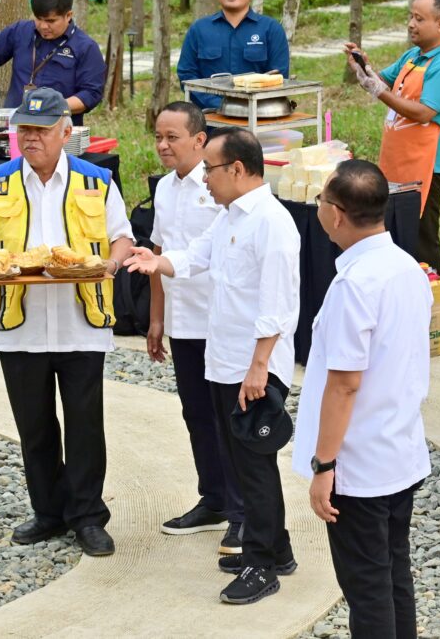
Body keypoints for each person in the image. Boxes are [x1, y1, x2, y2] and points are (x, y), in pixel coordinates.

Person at [0, 87, 133, 557]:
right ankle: (48, 511)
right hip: (20, 324)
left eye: (41, 130)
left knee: (85, 425)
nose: (31, 138)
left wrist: (110, 264)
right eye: (24, 128)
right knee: (35, 426)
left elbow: (122, 237)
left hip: (82, 320)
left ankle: (87, 516)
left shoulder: (97, 180)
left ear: (66, 132)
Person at [126, 127, 299, 605]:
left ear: (237, 169)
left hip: (253, 367)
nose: (204, 178)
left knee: (254, 468)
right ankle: (278, 548)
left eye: (211, 169)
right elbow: (194, 258)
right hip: (224, 362)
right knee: (245, 463)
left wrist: (259, 367)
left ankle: (261, 565)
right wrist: (154, 261)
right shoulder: (229, 217)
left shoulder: (271, 222)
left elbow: (278, 306)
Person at [292, 160, 432, 638]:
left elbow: (344, 384)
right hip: (399, 447)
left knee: (367, 588)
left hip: (359, 465)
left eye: (320, 201)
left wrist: (324, 465)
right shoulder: (407, 267)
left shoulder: (354, 284)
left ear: (336, 214)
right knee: (393, 575)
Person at [148, 102, 244, 556]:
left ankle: (243, 512)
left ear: (199, 139)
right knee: (197, 414)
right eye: (158, 137)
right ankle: (214, 498)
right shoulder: (164, 189)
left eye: (173, 137)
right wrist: (156, 319)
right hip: (183, 320)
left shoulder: (219, 187)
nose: (163, 146)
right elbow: (158, 254)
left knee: (230, 420)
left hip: (220, 320)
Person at [344, 0, 440, 274]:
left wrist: (378, 91)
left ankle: (431, 292)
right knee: (394, 231)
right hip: (398, 159)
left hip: (427, 164)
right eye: (411, 16)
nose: (411, 24)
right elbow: (381, 81)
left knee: (421, 237)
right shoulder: (413, 56)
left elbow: (423, 112)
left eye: (419, 19)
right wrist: (364, 69)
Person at [0, 0, 105, 125]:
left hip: (58, 129)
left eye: (50, 21)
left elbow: (91, 93)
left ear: (68, 16)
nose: (43, 26)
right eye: (38, 19)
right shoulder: (21, 31)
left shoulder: (86, 47)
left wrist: (53, 107)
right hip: (16, 127)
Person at [177, 0, 290, 112]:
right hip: (209, 119)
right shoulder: (199, 30)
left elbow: (278, 78)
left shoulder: (271, 30)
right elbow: (186, 75)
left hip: (258, 119)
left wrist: (246, 108)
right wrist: (221, 106)